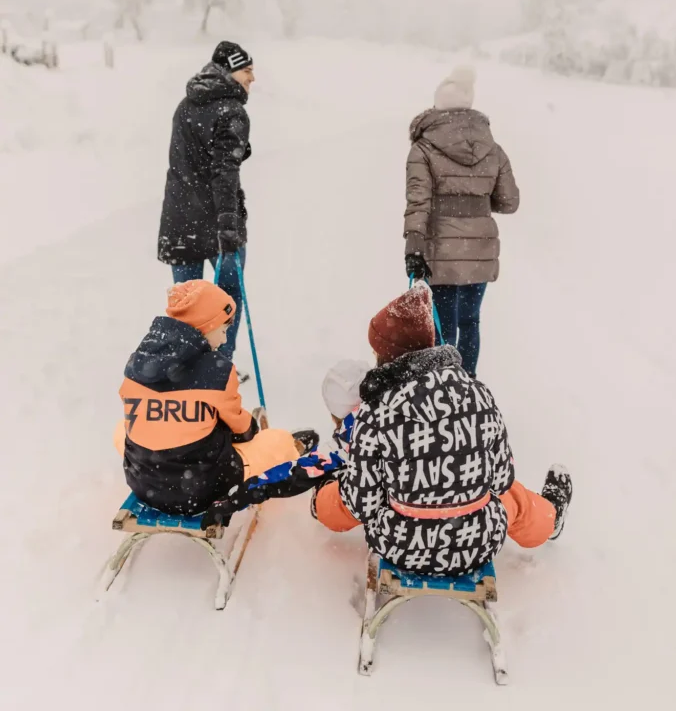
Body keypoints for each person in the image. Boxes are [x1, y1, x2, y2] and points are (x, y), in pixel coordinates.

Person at [312, 285, 572, 578]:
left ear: (387, 356)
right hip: (477, 543)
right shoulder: (478, 394)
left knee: (359, 490)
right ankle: (550, 518)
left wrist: (324, 497)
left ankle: (319, 503)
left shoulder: (376, 410)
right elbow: (500, 479)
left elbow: (360, 503)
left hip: (401, 547)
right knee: (511, 497)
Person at [117, 280, 320, 516]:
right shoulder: (217, 370)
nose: (224, 340)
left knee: (122, 429)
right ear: (206, 325)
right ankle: (291, 451)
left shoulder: (137, 363)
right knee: (277, 440)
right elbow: (242, 428)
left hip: (143, 481)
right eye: (223, 330)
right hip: (202, 489)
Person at [404, 65, 519, 376]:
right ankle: (468, 389)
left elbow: (418, 201)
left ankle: (444, 390)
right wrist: (477, 199)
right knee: (470, 322)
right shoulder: (493, 149)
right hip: (480, 251)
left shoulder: (423, 149)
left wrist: (413, 248)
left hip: (440, 253)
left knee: (442, 329)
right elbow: (510, 202)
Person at [158, 40, 255, 364]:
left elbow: (193, 159)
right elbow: (223, 173)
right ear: (229, 72)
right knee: (227, 298)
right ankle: (218, 365)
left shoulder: (186, 105)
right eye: (247, 70)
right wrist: (229, 225)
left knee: (186, 304)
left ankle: (184, 367)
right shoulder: (233, 111)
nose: (252, 78)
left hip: (180, 220)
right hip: (216, 223)